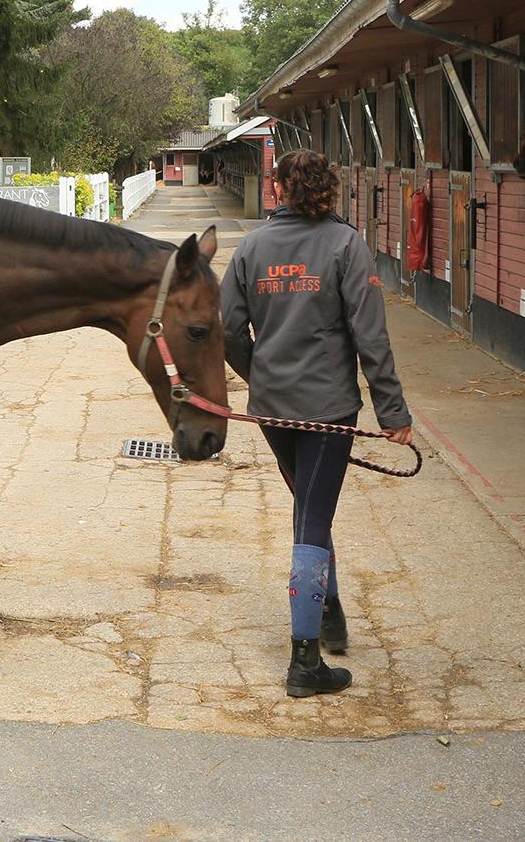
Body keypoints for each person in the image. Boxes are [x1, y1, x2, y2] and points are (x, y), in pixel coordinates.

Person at [220, 148, 414, 698]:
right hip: (328, 409)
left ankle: (329, 612)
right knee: (311, 517)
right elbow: (369, 336)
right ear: (330, 190)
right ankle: (304, 664)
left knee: (309, 505)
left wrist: (260, 373)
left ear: (278, 190)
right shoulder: (345, 244)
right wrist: (392, 412)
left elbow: (228, 329)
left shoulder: (251, 247)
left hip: (274, 409)